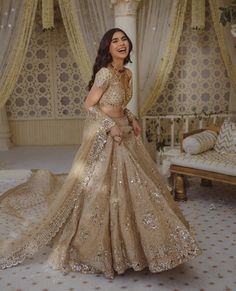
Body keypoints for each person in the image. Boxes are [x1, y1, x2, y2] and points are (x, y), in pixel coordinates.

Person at [0, 28, 201, 279]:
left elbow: (118, 105)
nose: (121, 44)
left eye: (124, 40)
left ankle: (139, 249)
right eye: (115, 41)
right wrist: (110, 126)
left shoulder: (127, 73)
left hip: (126, 133)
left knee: (139, 188)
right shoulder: (104, 73)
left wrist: (131, 117)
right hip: (108, 137)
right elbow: (90, 106)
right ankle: (105, 250)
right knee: (104, 191)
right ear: (108, 47)